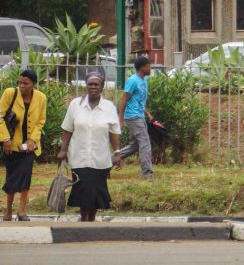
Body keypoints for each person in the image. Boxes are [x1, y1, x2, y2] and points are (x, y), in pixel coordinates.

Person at [58, 72, 122, 222]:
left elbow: (114, 132)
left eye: (96, 84)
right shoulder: (76, 105)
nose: (93, 87)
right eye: (90, 84)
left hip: (100, 158)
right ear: (85, 86)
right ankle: (83, 218)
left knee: (95, 191)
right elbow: (67, 128)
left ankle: (91, 220)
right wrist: (63, 149)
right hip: (78, 156)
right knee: (81, 189)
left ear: (102, 87)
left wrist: (117, 153)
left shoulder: (109, 107)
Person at [0, 69, 47, 222]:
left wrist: (33, 139)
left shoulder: (41, 98)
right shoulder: (10, 93)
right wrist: (5, 139)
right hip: (11, 145)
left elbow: (41, 121)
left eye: (26, 83)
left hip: (30, 148)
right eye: (20, 82)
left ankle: (21, 211)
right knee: (12, 177)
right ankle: (8, 210)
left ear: (33, 84)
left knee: (25, 176)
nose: (22, 86)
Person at [118, 56, 154, 179]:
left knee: (134, 146)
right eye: (148, 65)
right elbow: (124, 100)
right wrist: (121, 120)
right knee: (145, 143)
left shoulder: (144, 80)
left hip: (139, 115)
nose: (150, 68)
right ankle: (146, 174)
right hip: (133, 117)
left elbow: (137, 100)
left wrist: (146, 113)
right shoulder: (132, 81)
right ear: (142, 67)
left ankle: (107, 163)